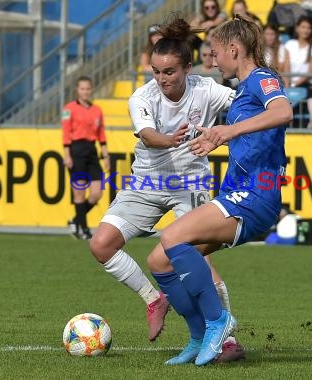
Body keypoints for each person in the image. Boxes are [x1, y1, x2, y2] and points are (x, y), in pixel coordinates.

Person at [88, 16, 245, 362]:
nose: (161, 79)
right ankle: (154, 300)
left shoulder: (206, 90)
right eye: (157, 72)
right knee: (101, 245)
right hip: (146, 182)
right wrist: (168, 140)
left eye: (170, 72)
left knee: (197, 255)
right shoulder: (142, 97)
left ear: (188, 68)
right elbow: (148, 136)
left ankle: (229, 340)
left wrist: (225, 134)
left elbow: (244, 105)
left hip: (191, 183)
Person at [146, 14, 293, 366]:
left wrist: (228, 131)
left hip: (256, 195)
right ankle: (199, 336)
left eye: (215, 52)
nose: (212, 59)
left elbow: (284, 112)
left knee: (172, 238)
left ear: (233, 48)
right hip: (239, 193)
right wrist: (217, 139)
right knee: (159, 260)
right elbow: (255, 138)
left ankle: (218, 321)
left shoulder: (262, 79)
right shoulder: (244, 89)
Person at [62, 76, 109, 240]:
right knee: (79, 194)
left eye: (88, 88)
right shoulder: (69, 108)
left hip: (91, 151)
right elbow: (66, 133)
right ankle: (83, 229)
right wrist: (67, 155)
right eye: (82, 89)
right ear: (77, 90)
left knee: (97, 193)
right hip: (76, 151)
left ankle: (75, 221)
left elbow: (101, 134)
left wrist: (105, 154)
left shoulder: (97, 110)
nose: (85, 92)